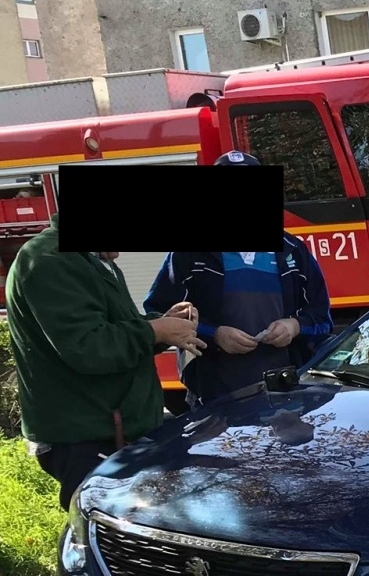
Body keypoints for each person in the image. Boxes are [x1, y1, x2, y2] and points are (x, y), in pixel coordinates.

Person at [5, 216, 203, 509]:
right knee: (105, 528)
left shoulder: (89, 260)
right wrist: (155, 330)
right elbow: (89, 347)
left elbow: (116, 329)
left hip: (110, 428)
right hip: (85, 435)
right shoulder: (49, 260)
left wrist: (161, 324)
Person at [143, 150, 333, 407]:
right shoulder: (188, 254)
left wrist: (294, 326)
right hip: (215, 399)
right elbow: (159, 315)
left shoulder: (293, 250)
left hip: (286, 398)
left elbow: (322, 319)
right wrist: (215, 335)